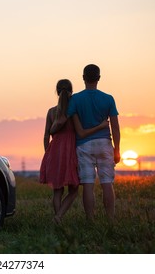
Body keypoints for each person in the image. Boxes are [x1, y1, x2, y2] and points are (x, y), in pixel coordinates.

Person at [39, 79, 108, 224]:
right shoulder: (74, 112)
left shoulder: (51, 112)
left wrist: (47, 153)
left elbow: (46, 135)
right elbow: (81, 132)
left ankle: (58, 219)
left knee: (57, 191)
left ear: (57, 92)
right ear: (72, 92)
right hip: (71, 152)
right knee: (74, 190)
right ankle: (58, 217)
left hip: (54, 153)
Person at [67, 64, 121, 222]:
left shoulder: (75, 99)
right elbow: (116, 127)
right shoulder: (108, 98)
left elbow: (71, 125)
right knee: (107, 183)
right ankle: (110, 219)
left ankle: (90, 220)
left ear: (83, 78)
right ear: (99, 78)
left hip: (84, 145)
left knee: (88, 185)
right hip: (104, 143)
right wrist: (117, 149)